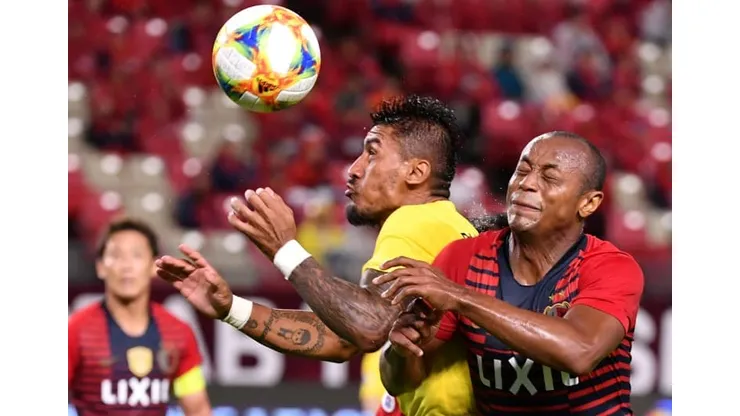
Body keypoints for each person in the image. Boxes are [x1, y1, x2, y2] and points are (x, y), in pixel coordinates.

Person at [156, 95, 499, 416]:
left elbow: (368, 326)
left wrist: (285, 250)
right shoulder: (448, 227)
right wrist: (232, 308)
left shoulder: (415, 221)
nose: (354, 169)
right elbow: (343, 338)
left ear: (415, 172)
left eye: (372, 153)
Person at [374, 131, 645, 415]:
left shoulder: (610, 267)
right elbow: (399, 382)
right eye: (522, 171)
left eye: (549, 178)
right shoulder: (463, 258)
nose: (526, 184)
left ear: (588, 203)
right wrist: (401, 352)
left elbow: (580, 351)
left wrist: (460, 297)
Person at [68, 219, 211, 416]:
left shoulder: (179, 332)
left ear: (154, 266)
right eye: (116, 255)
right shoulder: (75, 331)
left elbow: (198, 409)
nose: (126, 265)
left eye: (136, 255)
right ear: (100, 267)